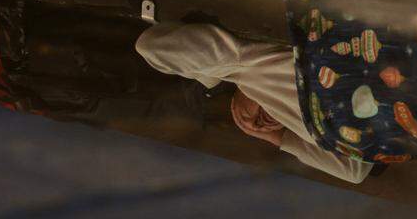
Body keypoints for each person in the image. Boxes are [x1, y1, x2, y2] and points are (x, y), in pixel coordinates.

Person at [135, 20, 374, 184]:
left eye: (248, 120)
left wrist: (214, 78)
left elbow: (149, 46)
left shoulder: (247, 66)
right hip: (372, 83)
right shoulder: (308, 127)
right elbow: (354, 172)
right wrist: (277, 138)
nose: (260, 123)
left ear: (235, 103)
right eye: (259, 126)